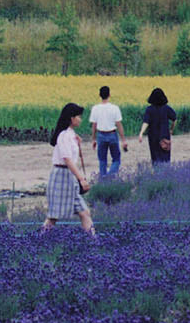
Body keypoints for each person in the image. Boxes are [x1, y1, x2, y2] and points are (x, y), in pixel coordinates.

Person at [43, 103, 94, 235]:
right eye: (78, 116)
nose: (80, 119)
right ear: (72, 118)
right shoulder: (64, 135)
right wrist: (81, 178)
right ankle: (38, 240)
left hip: (69, 177)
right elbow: (67, 159)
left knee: (85, 212)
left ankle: (94, 243)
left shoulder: (71, 134)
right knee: (53, 217)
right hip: (62, 176)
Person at [89, 85, 128, 179]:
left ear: (99, 95)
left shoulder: (95, 108)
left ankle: (103, 180)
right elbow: (119, 124)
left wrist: (93, 139)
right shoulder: (115, 108)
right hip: (112, 134)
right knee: (116, 159)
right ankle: (109, 176)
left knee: (102, 160)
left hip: (101, 135)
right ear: (109, 95)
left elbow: (94, 125)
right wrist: (123, 140)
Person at [139, 87, 177, 166]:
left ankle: (157, 175)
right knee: (165, 157)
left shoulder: (149, 109)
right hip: (165, 136)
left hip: (153, 137)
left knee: (155, 158)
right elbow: (174, 119)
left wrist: (141, 133)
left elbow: (146, 122)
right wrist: (171, 129)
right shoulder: (167, 108)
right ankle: (165, 175)